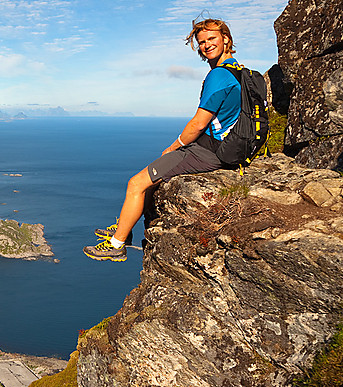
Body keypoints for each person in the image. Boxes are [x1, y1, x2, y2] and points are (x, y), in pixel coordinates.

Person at [84, 17, 243, 262]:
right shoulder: (237, 70)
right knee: (152, 179)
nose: (206, 45)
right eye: (201, 42)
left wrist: (174, 146)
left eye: (211, 39)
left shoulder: (219, 76)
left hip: (208, 151)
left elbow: (199, 123)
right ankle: (123, 231)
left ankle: (116, 246)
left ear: (226, 39)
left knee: (135, 184)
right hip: (222, 147)